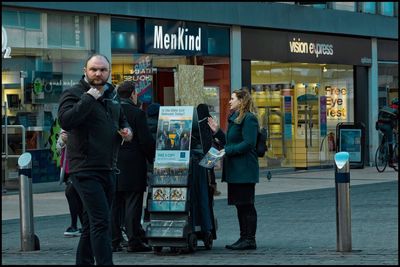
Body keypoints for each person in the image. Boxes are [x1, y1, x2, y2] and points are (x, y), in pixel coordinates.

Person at [58, 53, 132, 265]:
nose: (98, 73)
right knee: (102, 221)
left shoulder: (113, 94)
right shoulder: (73, 93)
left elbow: (123, 120)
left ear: (108, 72)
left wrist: (127, 131)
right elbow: (66, 120)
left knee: (92, 223)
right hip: (84, 168)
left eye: (103, 70)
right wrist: (89, 98)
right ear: (85, 71)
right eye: (94, 69)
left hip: (109, 167)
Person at [207, 88, 259, 250]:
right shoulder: (235, 117)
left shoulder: (249, 118)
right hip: (235, 170)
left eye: (233, 98)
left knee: (246, 204)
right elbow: (230, 143)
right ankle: (244, 237)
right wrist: (217, 131)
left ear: (241, 101)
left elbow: (249, 143)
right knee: (240, 204)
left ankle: (249, 239)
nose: (229, 101)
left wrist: (227, 151)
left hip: (244, 169)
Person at [111, 81, 155, 253]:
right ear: (132, 94)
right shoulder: (137, 113)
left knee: (114, 204)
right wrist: (153, 159)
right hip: (133, 165)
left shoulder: (110, 111)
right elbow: (145, 140)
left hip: (113, 163)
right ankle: (133, 241)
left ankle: (113, 240)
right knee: (132, 204)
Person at [56, 129, 83, 237]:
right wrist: (63, 140)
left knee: (71, 193)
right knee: (75, 196)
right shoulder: (65, 128)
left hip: (78, 166)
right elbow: (58, 146)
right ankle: (79, 225)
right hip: (69, 168)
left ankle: (75, 225)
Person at [376, 97, 399, 167]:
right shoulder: (396, 110)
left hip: (379, 125)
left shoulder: (386, 107)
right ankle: (391, 162)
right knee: (390, 143)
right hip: (387, 127)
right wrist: (395, 129)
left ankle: (382, 148)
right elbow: (395, 122)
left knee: (385, 134)